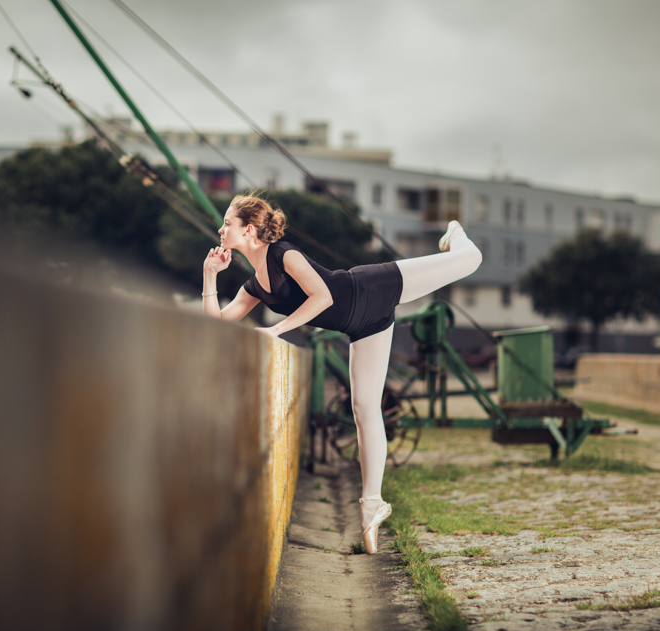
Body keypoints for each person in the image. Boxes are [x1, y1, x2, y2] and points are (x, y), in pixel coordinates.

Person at [202, 193, 482, 553]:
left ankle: (455, 234)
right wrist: (210, 276)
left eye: (227, 223)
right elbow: (216, 324)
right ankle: (371, 508)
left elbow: (322, 298)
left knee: (471, 258)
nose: (221, 229)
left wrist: (276, 330)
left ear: (250, 230)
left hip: (371, 289)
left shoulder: (284, 254)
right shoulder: (254, 286)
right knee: (365, 409)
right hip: (365, 327)